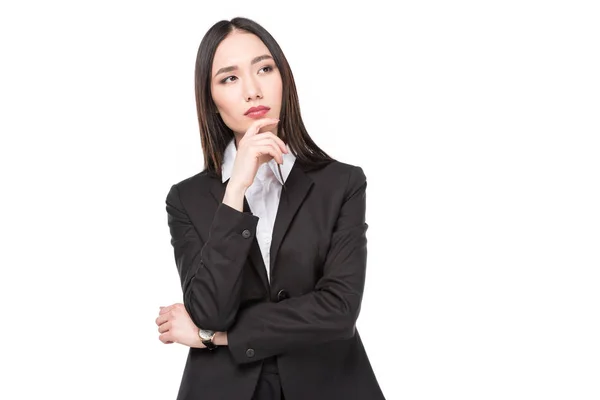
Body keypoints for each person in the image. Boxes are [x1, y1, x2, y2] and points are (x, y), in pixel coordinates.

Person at [155, 17, 386, 400]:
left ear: (284, 80)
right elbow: (209, 309)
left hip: (330, 385)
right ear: (210, 100)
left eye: (264, 68)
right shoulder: (186, 199)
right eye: (229, 78)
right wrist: (236, 190)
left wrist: (215, 338)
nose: (252, 90)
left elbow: (339, 311)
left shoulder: (341, 184)